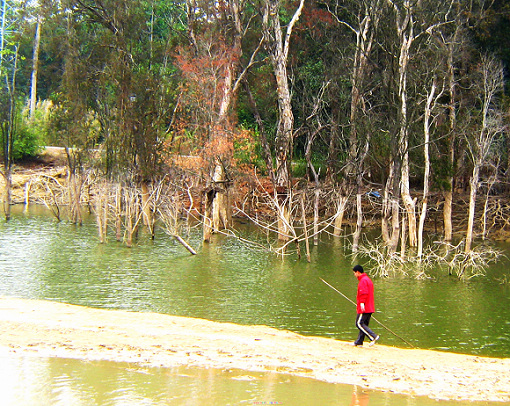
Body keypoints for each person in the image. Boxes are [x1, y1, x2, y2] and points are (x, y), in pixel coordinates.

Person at [352, 264, 380, 346]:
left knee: (359, 323)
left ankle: (373, 336)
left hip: (365, 307)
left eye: (354, 273)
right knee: (364, 324)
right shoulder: (368, 279)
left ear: (357, 272)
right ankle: (359, 341)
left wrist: (362, 304)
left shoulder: (363, 281)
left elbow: (363, 293)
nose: (354, 275)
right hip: (370, 306)